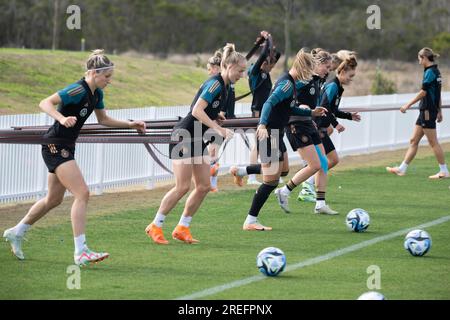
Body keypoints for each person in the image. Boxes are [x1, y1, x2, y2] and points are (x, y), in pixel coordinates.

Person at [2, 50, 146, 266]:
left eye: (110, 77)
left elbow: (103, 119)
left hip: (65, 145)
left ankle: (17, 231)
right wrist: (61, 118)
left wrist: (130, 124)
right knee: (82, 193)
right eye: (106, 77)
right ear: (94, 73)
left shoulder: (96, 94)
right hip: (55, 145)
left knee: (54, 199)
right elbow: (45, 102)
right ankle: (81, 251)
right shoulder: (77, 89)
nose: (109, 81)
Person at [145, 43, 245, 244]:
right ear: (228, 65)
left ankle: (183, 227)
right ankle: (155, 225)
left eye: (244, 72)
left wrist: (216, 116)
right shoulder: (215, 84)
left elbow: (204, 110)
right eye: (240, 70)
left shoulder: (225, 87)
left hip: (197, 136)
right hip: (184, 136)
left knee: (204, 185)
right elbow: (196, 111)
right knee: (182, 187)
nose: (242, 75)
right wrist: (217, 128)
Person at [242, 49, 326, 231]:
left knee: (284, 171)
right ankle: (250, 220)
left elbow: (290, 109)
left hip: (276, 133)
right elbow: (268, 103)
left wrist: (311, 112)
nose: (309, 76)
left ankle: (241, 171)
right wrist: (262, 125)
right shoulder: (287, 85)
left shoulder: (291, 83)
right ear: (303, 68)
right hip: (269, 133)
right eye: (309, 71)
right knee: (271, 180)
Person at [274, 48, 332, 213]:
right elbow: (287, 96)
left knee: (324, 163)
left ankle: (320, 203)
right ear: (317, 64)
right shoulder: (302, 81)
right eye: (326, 67)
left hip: (308, 123)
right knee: (315, 165)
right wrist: (301, 107)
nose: (328, 71)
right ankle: (284, 191)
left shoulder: (315, 81)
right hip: (296, 125)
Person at [311, 53, 361, 214]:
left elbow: (333, 109)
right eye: (350, 76)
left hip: (322, 129)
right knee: (326, 162)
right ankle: (293, 190)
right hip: (318, 128)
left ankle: (313, 193)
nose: (351, 79)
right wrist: (336, 124)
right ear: (343, 71)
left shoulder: (338, 87)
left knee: (329, 161)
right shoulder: (333, 85)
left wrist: (348, 116)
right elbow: (325, 108)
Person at [386, 47, 448, 179]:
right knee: (413, 140)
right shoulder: (436, 71)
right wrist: (440, 111)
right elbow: (437, 94)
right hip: (427, 110)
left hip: (427, 110)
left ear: (424, 58)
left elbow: (424, 92)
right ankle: (402, 169)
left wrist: (407, 105)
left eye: (419, 59)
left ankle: (444, 170)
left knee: (433, 142)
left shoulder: (430, 72)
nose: (419, 61)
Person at [230, 31, 281, 186]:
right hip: (258, 111)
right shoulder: (256, 72)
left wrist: (270, 47)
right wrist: (268, 39)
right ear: (264, 62)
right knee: (258, 145)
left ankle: (263, 172)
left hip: (266, 112)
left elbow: (273, 54)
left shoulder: (265, 73)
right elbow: (264, 53)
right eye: (270, 64)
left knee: (265, 144)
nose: (272, 67)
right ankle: (251, 177)